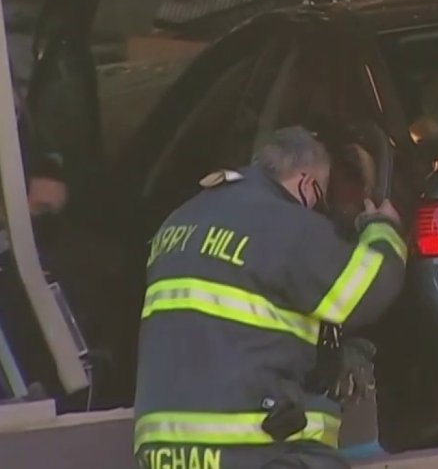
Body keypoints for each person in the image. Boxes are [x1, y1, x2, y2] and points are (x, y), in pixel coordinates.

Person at [133, 126, 407, 469]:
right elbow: (366, 291)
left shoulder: (179, 221)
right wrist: (382, 228)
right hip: (245, 445)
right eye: (320, 196)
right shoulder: (285, 223)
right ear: (307, 185)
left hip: (161, 450)